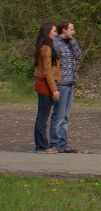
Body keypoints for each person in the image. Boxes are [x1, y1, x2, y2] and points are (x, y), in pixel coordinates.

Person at [50, 19, 81, 153]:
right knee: (59, 115)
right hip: (61, 84)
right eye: (71, 29)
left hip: (70, 83)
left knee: (66, 116)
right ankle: (55, 143)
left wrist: (72, 40)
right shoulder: (56, 44)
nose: (73, 32)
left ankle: (63, 144)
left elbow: (79, 55)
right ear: (64, 30)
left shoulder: (70, 44)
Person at [33, 23, 61, 153]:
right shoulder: (46, 48)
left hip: (45, 83)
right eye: (54, 31)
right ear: (48, 32)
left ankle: (41, 145)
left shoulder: (47, 46)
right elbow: (47, 71)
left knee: (43, 115)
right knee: (43, 116)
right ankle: (42, 146)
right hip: (44, 84)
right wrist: (54, 89)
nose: (55, 33)